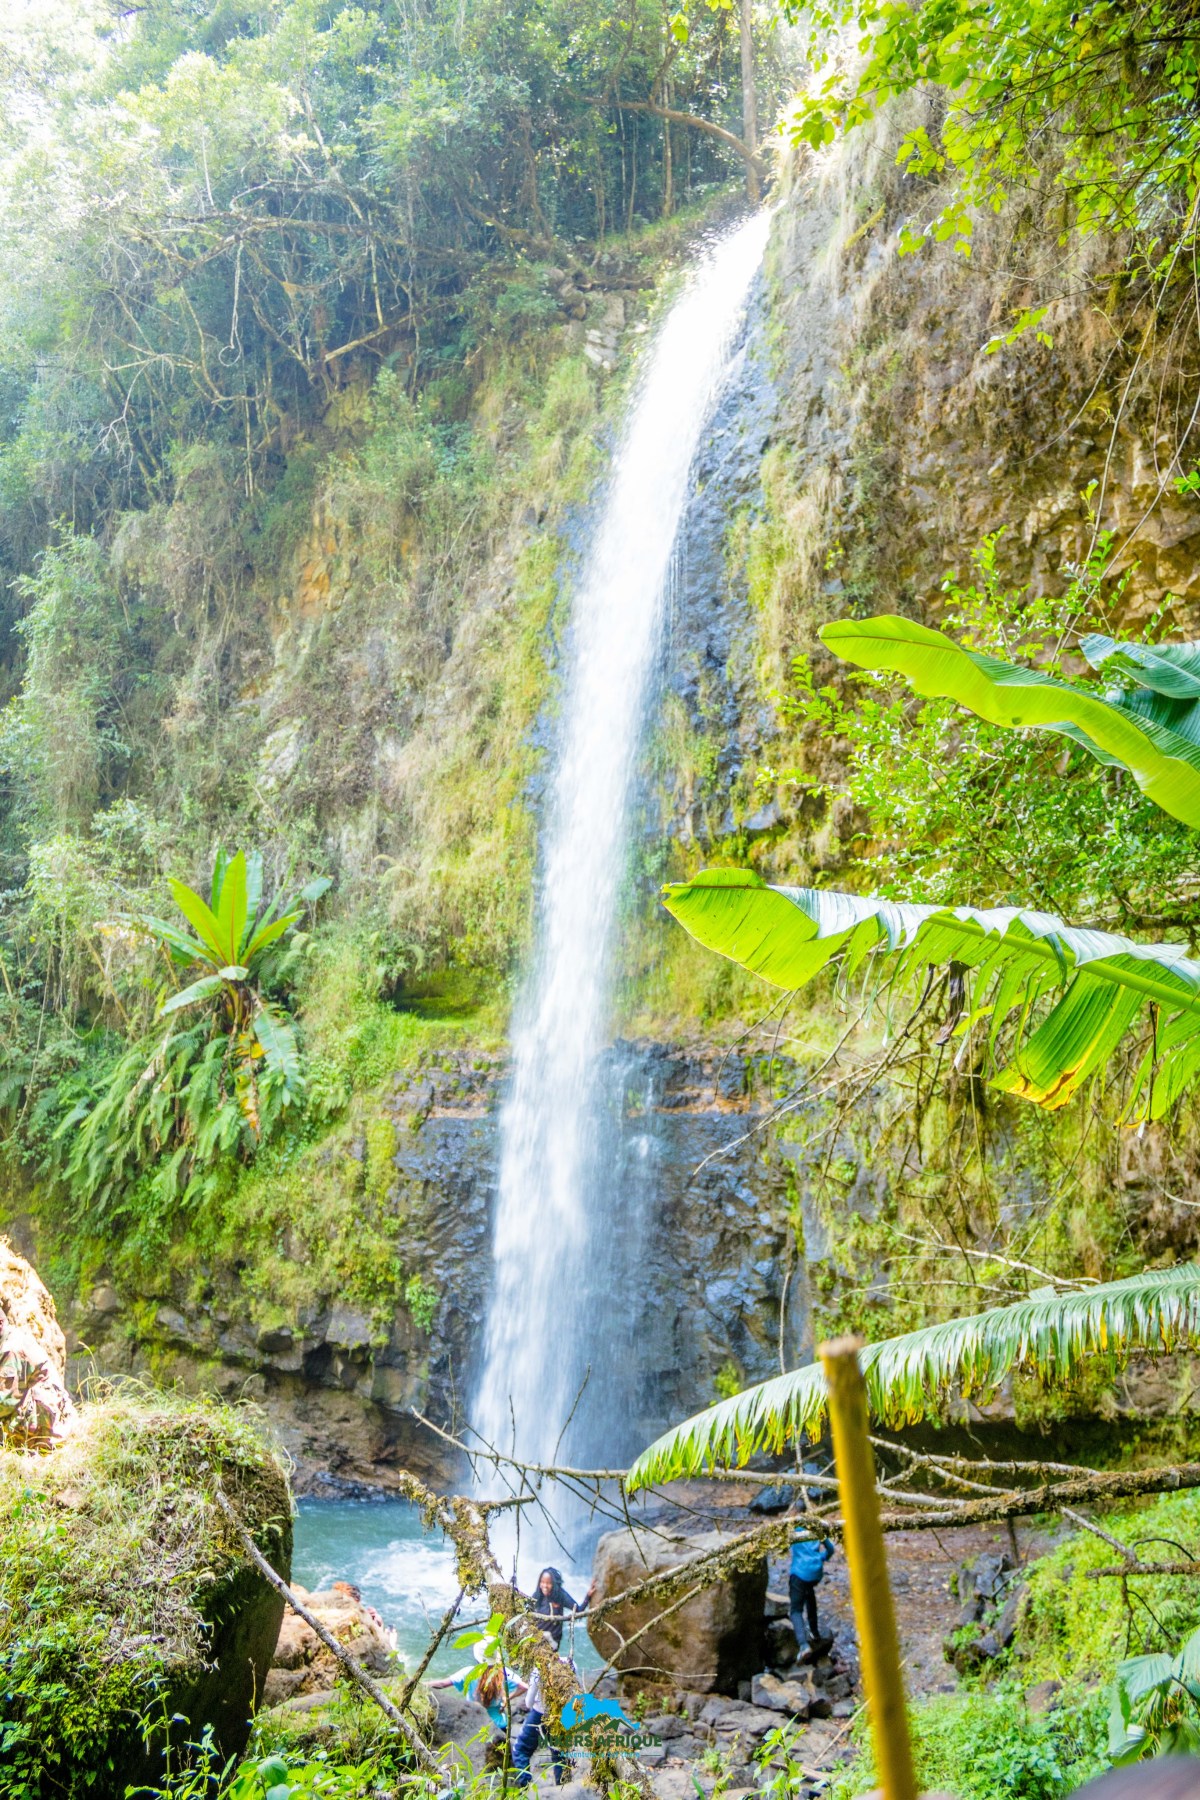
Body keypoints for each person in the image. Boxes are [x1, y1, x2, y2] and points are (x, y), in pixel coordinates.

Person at [0, 1301, 75, 1452]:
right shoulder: (13, 1336)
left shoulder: (11, 1350)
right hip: (49, 1418)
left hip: (48, 1429)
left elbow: (5, 1403)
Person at [511, 1648, 571, 1788]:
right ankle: (562, 1788)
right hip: (562, 1715)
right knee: (559, 1752)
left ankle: (526, 1787)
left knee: (520, 1750)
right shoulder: (570, 1663)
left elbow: (528, 1703)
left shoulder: (538, 1668)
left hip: (540, 1714)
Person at [789, 1531, 836, 1657]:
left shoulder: (793, 1528)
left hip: (799, 1572)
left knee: (795, 1611)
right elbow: (831, 1548)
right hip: (815, 1572)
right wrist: (822, 1557)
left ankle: (803, 1645)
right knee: (809, 1595)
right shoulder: (815, 1527)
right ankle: (815, 1633)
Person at [531, 1567, 594, 1649]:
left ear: (554, 1583)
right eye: (542, 1582)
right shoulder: (537, 1595)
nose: (545, 1586)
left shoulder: (561, 1596)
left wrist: (588, 1596)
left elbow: (578, 1610)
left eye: (548, 1583)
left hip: (552, 1641)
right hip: (537, 1638)